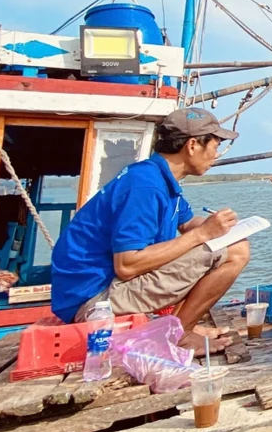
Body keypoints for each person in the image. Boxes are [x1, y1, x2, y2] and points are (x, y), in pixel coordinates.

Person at [51, 108, 249, 356]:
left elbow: (187, 224)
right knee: (236, 251)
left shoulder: (157, 176)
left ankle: (178, 327)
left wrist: (223, 228)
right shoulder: (145, 186)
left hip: (102, 289)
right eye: (214, 145)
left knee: (234, 241)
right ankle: (179, 335)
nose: (216, 154)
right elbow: (128, 264)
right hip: (95, 299)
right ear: (192, 146)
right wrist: (204, 234)